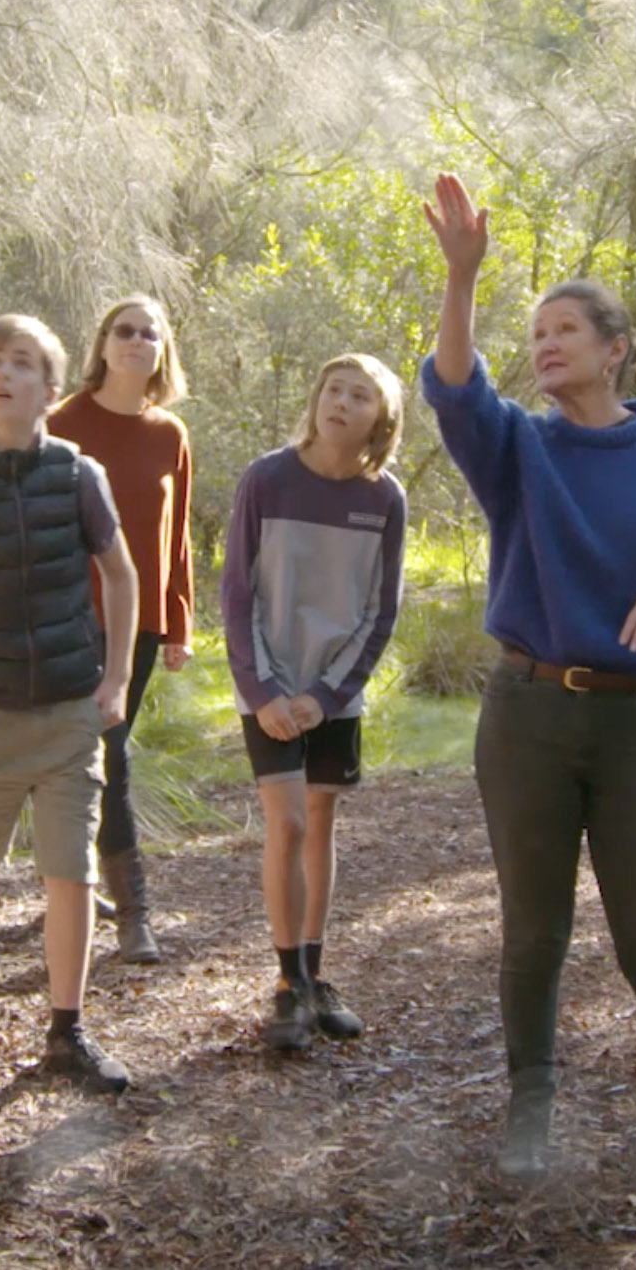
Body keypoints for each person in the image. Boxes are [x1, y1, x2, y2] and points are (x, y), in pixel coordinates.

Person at [419, 171, 636, 1188]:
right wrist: (462, 277)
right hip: (526, 717)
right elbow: (454, 387)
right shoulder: (519, 448)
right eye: (538, 330)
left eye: (567, 327)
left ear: (616, 348)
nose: (546, 342)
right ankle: (532, 1105)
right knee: (532, 934)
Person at [0, 314, 140, 1094]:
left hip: (66, 712)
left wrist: (114, 681)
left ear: (49, 391)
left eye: (21, 362)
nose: (2, 372)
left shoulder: (78, 474)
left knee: (69, 872)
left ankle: (67, 1030)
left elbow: (120, 576)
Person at [221, 354, 406, 1052]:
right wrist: (267, 691)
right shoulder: (266, 479)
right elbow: (237, 596)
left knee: (321, 821)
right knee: (288, 823)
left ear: (378, 420)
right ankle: (286, 987)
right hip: (266, 685)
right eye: (334, 388)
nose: (342, 401)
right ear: (316, 398)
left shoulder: (384, 499)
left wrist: (328, 697)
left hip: (334, 696)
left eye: (360, 396)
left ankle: (312, 972)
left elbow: (380, 612)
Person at [46, 295, 196, 964]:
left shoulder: (170, 434)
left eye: (150, 333)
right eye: (124, 330)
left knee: (105, 751)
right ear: (103, 345)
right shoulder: (59, 424)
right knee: (95, 752)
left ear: (162, 350)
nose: (137, 341)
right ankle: (128, 909)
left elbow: (178, 534)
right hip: (66, 617)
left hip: (136, 627)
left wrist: (178, 622)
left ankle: (101, 895)